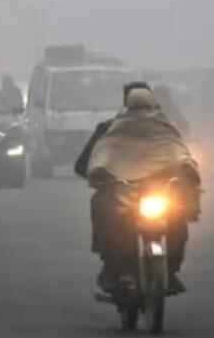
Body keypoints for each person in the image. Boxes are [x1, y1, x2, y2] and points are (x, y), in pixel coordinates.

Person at [75, 83, 200, 294]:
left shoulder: (166, 127)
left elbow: (178, 152)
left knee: (178, 218)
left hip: (159, 193)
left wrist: (187, 174)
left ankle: (170, 271)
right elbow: (86, 165)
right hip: (123, 193)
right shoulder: (109, 129)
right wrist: (102, 174)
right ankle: (113, 270)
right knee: (104, 209)